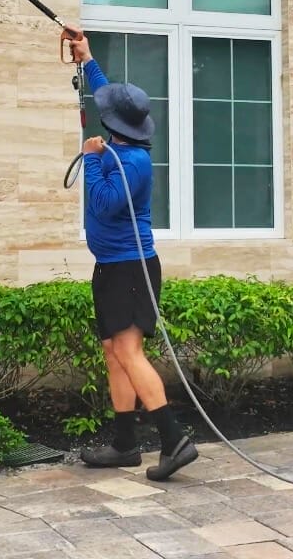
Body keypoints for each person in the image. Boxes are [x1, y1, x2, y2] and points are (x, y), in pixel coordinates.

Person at [67, 31, 198, 481]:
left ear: (116, 125)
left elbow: (103, 202)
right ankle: (125, 444)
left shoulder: (135, 163)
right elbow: (106, 95)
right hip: (111, 267)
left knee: (128, 350)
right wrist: (86, 59)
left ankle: (174, 438)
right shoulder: (119, 147)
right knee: (113, 351)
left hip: (131, 268)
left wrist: (89, 158)